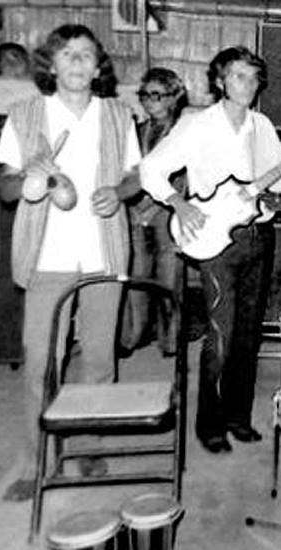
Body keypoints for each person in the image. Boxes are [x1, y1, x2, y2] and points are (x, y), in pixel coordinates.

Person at [140, 46, 281, 454]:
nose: (247, 84)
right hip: (215, 242)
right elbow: (150, 168)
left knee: (248, 334)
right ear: (220, 81)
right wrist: (178, 203)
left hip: (259, 235)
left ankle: (237, 417)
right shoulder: (196, 125)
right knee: (220, 334)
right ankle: (209, 424)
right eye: (238, 76)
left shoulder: (262, 126)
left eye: (253, 77)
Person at [0, 24, 142, 501]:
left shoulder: (118, 115)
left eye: (86, 54)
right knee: (41, 361)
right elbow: (4, 188)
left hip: (103, 250)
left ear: (98, 68)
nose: (77, 62)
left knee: (98, 359)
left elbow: (136, 175)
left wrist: (118, 192)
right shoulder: (25, 115)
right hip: (47, 255)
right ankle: (36, 461)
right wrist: (29, 180)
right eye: (67, 54)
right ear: (51, 65)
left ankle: (90, 445)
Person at [120, 67, 188, 357]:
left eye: (156, 95)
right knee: (135, 275)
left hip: (168, 212)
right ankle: (133, 335)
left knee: (170, 278)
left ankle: (171, 340)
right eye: (144, 95)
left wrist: (155, 206)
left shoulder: (184, 132)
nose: (149, 102)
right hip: (135, 210)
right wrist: (134, 206)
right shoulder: (136, 132)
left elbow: (183, 180)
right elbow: (128, 172)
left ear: (174, 97)